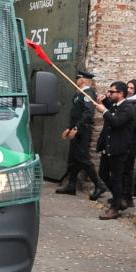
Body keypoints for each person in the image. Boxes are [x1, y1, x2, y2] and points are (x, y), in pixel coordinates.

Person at [56, 69, 106, 198]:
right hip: (76, 129)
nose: (76, 80)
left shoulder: (88, 94)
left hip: (82, 130)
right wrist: (69, 127)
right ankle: (71, 185)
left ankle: (99, 184)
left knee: (83, 158)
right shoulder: (79, 93)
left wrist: (76, 128)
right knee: (74, 158)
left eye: (78, 78)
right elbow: (75, 114)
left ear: (83, 79)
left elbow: (88, 114)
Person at [94, 81, 134, 220]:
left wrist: (103, 110)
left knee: (116, 178)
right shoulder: (116, 105)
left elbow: (117, 122)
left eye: (112, 92)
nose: (109, 94)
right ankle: (119, 197)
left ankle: (115, 208)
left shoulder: (128, 108)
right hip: (108, 147)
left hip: (119, 149)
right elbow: (111, 109)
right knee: (103, 174)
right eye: (109, 92)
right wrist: (104, 101)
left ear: (121, 93)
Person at [121, 79, 136, 207]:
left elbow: (135, 123)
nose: (129, 90)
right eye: (128, 87)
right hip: (124, 139)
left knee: (127, 169)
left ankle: (127, 197)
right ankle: (121, 196)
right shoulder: (127, 102)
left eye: (131, 88)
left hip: (132, 141)